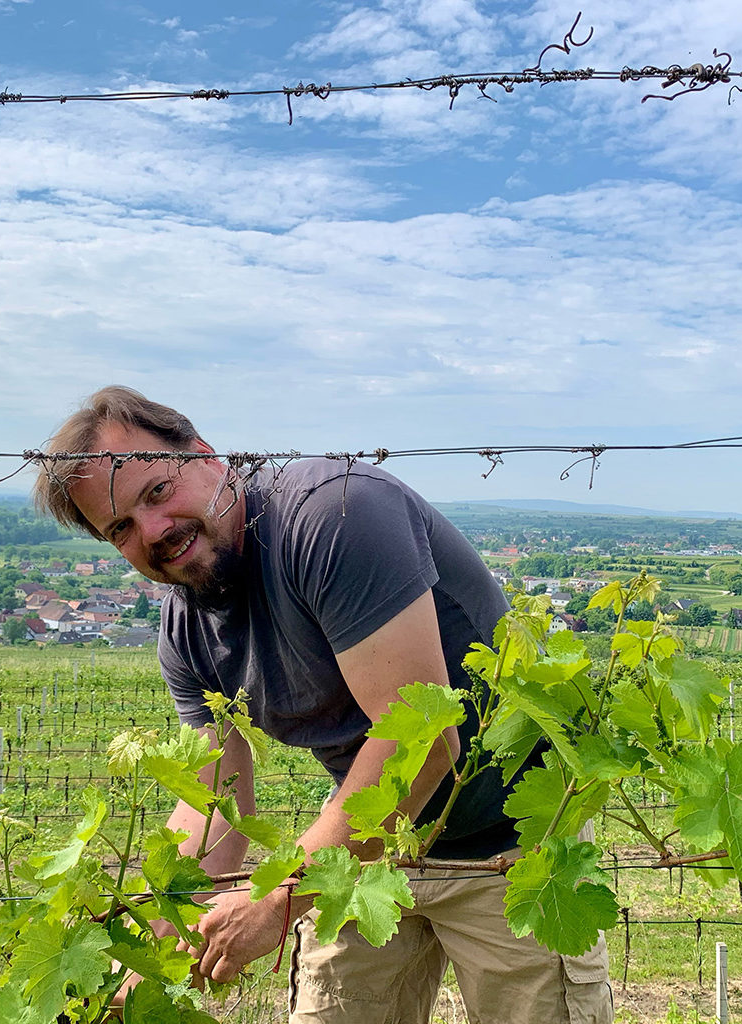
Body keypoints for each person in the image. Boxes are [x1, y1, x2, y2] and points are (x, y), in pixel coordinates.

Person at [32, 386, 612, 1024]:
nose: (154, 531)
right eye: (120, 528)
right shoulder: (185, 630)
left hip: (509, 844)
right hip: (367, 846)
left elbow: (422, 746)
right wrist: (147, 943)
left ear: (205, 457)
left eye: (157, 492)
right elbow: (213, 801)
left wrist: (279, 900)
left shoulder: (334, 516)